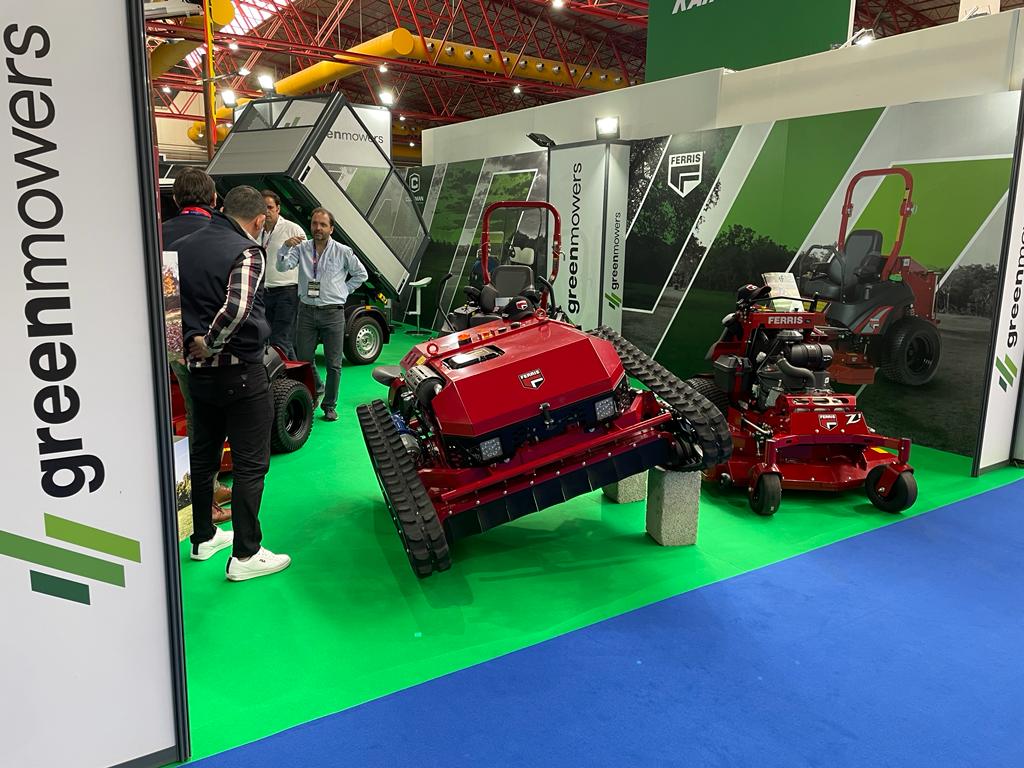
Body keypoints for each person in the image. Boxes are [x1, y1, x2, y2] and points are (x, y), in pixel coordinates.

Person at [177, 184, 291, 581]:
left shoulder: (183, 247)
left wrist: (187, 351)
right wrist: (210, 343)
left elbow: (167, 304)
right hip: (240, 373)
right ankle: (246, 553)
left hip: (198, 375)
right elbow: (238, 308)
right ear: (259, 220)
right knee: (250, 465)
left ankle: (202, 538)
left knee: (203, 458)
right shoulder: (247, 251)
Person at [161, 167, 232, 523]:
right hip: (211, 344)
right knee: (206, 420)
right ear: (214, 199)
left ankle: (208, 488)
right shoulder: (222, 233)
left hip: (172, 340)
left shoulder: (158, 233)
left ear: (176, 199)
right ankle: (199, 501)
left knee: (195, 415)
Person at [278, 207, 368, 422]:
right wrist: (285, 247)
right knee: (303, 360)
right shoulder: (301, 249)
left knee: (334, 364)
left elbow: (361, 274)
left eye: (323, 224)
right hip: (306, 312)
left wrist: (343, 291)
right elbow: (282, 267)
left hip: (333, 313)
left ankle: (329, 405)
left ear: (331, 229)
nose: (318, 228)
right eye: (314, 224)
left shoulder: (343, 251)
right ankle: (316, 389)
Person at [259, 190, 306, 359]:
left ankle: (280, 375)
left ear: (278, 209)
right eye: (263, 207)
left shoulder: (292, 229)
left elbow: (307, 260)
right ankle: (305, 376)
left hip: (287, 292)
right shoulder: (256, 229)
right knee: (275, 339)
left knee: (280, 340)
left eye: (270, 207)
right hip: (263, 291)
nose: (266, 211)